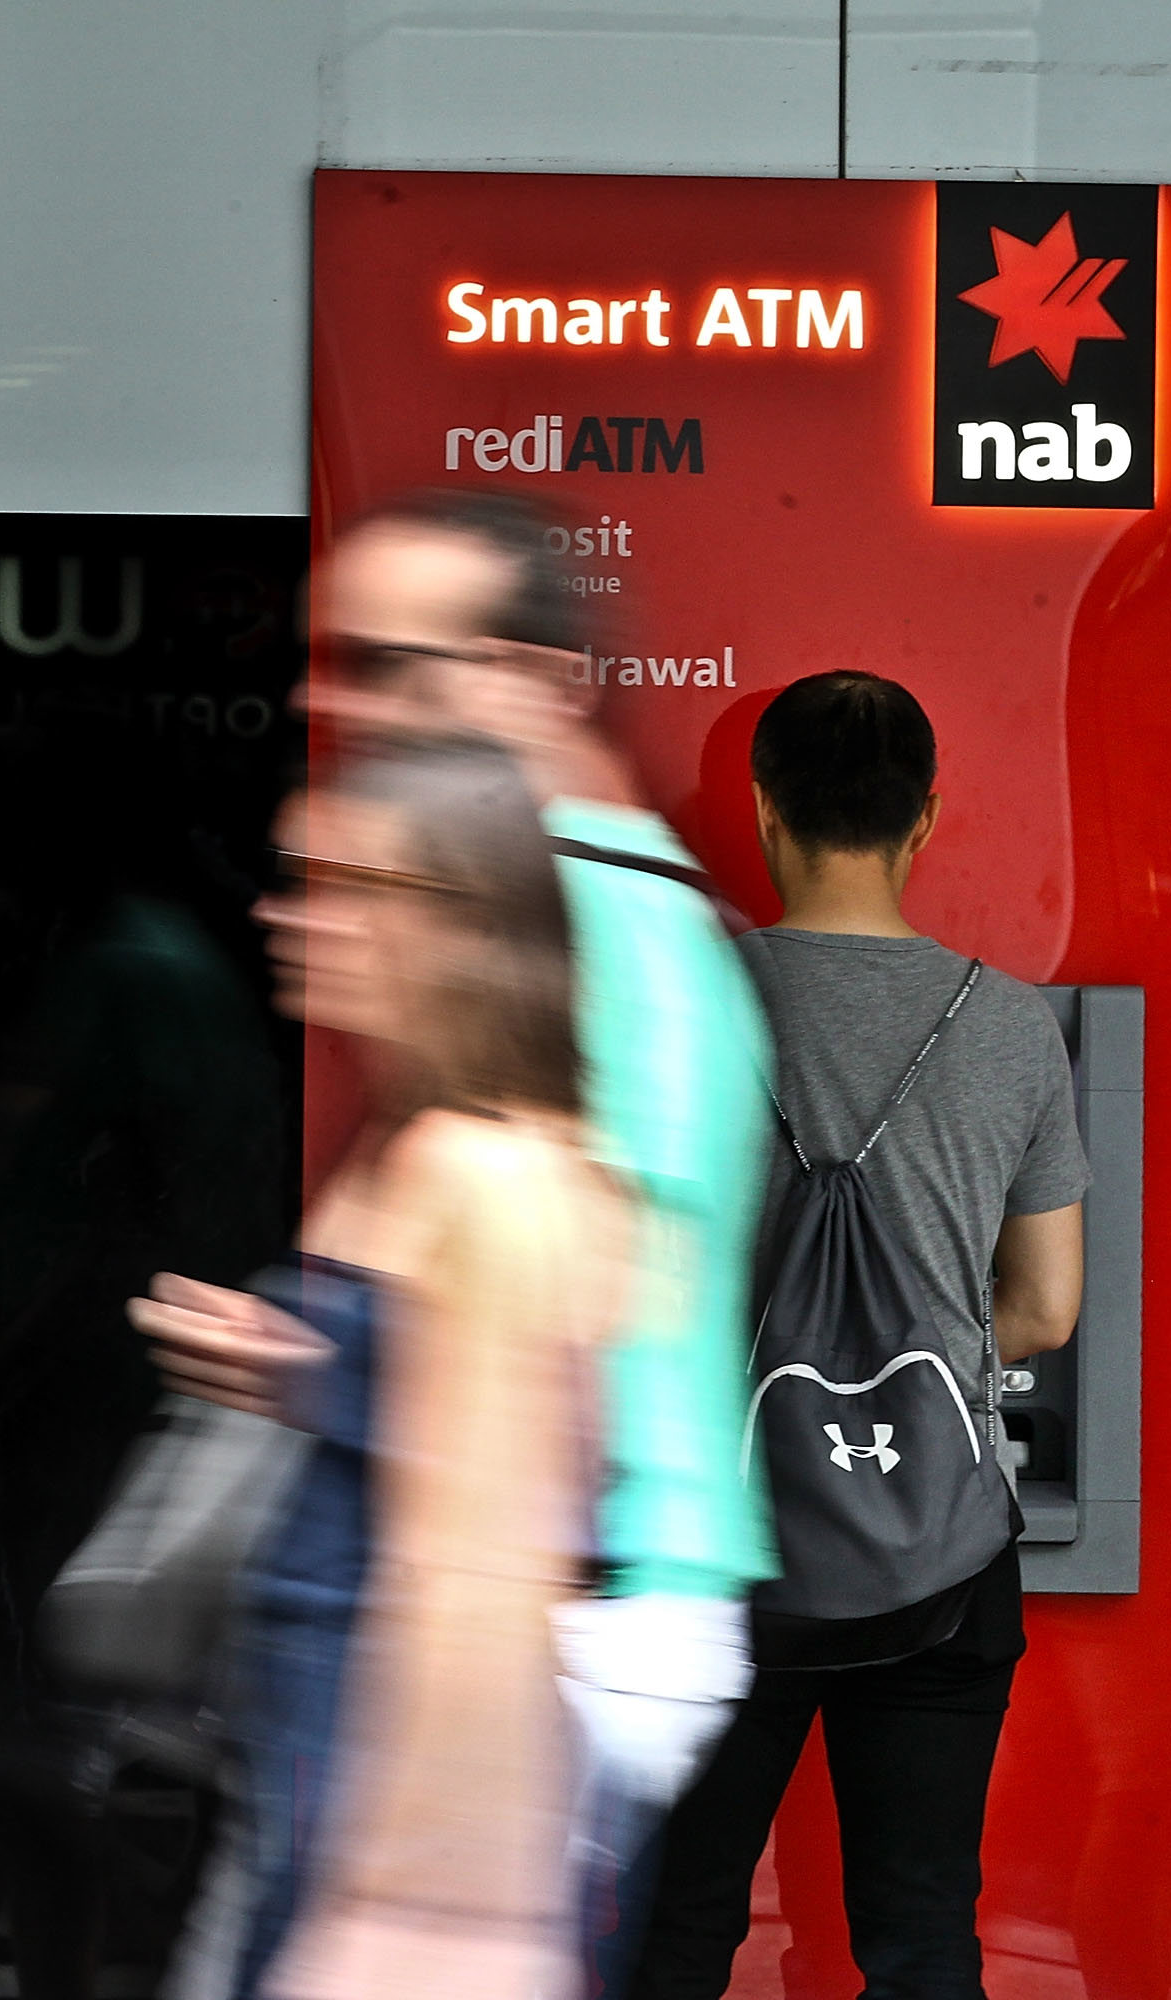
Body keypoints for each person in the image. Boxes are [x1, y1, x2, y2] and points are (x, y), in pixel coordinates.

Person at [144, 490, 776, 1992]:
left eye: (383, 663)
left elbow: (545, 1376)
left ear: (533, 680)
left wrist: (423, 1912)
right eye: (326, 656)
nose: (325, 696)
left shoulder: (587, 931)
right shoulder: (563, 907)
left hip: (571, 1603)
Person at [626, 670, 1088, 2000]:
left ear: (765, 812)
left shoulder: (686, 1004)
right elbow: (1049, 1308)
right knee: (922, 1930)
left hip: (717, 1540)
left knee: (680, 1919)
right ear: (926, 819)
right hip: (939, 1547)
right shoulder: (1006, 1026)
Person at [142, 739, 628, 2000]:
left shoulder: (480, 1170)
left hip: (388, 1823)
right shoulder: (437, 1141)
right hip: (325, 1776)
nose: (280, 907)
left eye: (333, 878)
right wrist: (300, 1365)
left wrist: (426, 1910)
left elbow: (479, 1578)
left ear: (452, 917)